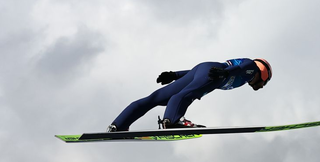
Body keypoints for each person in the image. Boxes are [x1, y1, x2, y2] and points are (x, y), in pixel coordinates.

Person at [107, 58, 272, 131]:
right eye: (265, 82)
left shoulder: (247, 73)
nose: (262, 86)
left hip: (203, 69)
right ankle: (172, 121)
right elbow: (241, 68)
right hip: (214, 73)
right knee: (185, 95)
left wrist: (174, 75)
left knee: (155, 98)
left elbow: (195, 74)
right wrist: (224, 74)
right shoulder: (252, 69)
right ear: (264, 75)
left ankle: (118, 125)